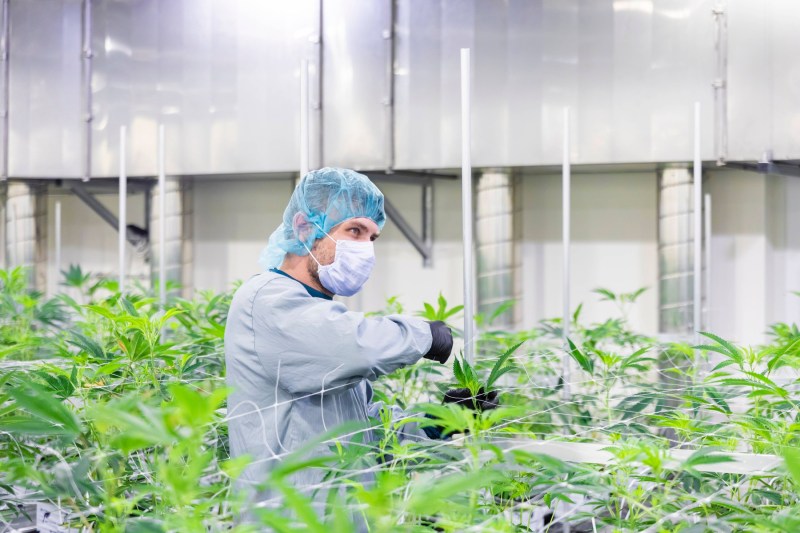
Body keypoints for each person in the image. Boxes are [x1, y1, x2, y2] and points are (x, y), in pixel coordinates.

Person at [224, 167, 456, 522]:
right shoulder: (266, 300)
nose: (365, 249)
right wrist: (423, 335)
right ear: (305, 228)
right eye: (354, 231)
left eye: (372, 237)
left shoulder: (321, 315)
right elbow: (355, 346)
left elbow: (366, 429)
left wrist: (441, 421)